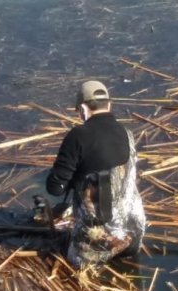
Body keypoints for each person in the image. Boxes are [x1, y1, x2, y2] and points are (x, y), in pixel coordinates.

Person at [46, 80, 145, 267]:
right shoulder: (127, 133)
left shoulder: (78, 135)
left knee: (69, 267)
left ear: (83, 109)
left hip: (95, 246)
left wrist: (69, 180)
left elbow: (54, 188)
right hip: (132, 236)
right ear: (109, 104)